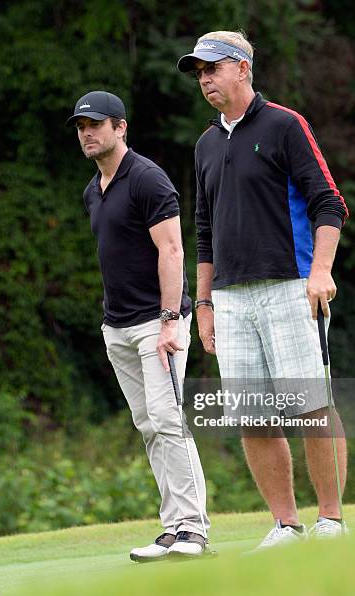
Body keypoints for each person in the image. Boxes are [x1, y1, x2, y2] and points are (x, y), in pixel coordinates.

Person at [177, 31, 349, 548]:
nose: (204, 79)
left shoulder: (284, 125)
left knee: (311, 404)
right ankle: (285, 524)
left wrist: (321, 271)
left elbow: (329, 203)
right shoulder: (206, 144)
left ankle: (331, 521)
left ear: (242, 68)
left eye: (212, 68)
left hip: (291, 283)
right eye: (199, 72)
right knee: (252, 413)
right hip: (229, 297)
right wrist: (203, 303)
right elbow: (203, 231)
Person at [66, 90, 210, 560]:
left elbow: (172, 251)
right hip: (118, 328)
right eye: (81, 127)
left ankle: (194, 530)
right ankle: (172, 528)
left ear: (120, 127)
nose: (88, 134)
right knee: (148, 424)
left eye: (96, 125)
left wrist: (171, 321)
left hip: (158, 323)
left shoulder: (147, 178)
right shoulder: (93, 191)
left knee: (169, 420)